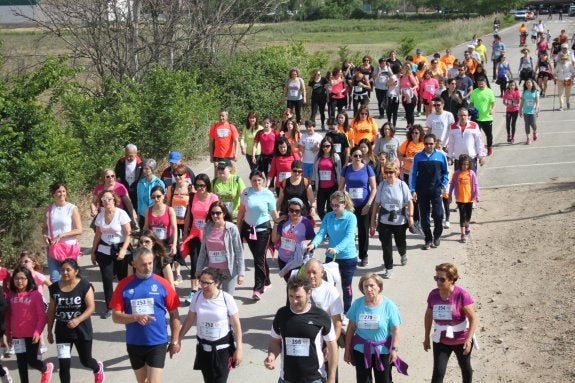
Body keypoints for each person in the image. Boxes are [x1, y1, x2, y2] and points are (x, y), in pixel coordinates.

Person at [110, 248, 181, 383]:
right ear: (134, 264)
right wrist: (135, 317)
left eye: (150, 263)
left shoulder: (163, 284)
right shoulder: (124, 286)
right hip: (134, 342)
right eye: (143, 264)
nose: (148, 267)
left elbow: (174, 315)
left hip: (157, 342)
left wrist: (175, 341)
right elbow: (115, 316)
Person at [264, 276, 338, 383]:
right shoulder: (282, 314)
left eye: (298, 297)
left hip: (314, 379)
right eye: (291, 296)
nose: (294, 301)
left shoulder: (321, 316)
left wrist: (331, 378)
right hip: (286, 379)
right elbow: (275, 341)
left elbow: (332, 348)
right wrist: (271, 355)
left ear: (309, 293)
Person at [179, 268, 242, 383]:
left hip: (223, 350)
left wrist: (239, 349)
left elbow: (237, 326)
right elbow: (189, 320)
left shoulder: (226, 298)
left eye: (207, 283)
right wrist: (178, 339)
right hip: (204, 349)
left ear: (217, 283)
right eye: (201, 282)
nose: (203, 286)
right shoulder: (197, 297)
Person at [46, 259, 104, 383]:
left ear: (76, 271)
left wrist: (78, 320)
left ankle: (98, 369)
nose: (65, 272)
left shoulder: (84, 285)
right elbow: (51, 311)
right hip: (62, 331)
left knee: (86, 361)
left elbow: (91, 307)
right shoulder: (54, 288)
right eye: (62, 270)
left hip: (81, 330)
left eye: (68, 270)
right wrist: (49, 331)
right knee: (64, 365)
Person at [344, 273, 405, 383]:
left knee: (384, 381)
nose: (369, 289)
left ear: (379, 287)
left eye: (372, 285)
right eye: (365, 286)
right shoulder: (357, 304)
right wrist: (347, 350)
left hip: (382, 351)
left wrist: (394, 350)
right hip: (360, 350)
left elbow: (395, 329)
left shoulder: (389, 306)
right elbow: (351, 328)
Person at [423, 263, 478, 383]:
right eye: (436, 278)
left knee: (465, 368)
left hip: (461, 340)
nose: (438, 282)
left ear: (451, 280)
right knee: (438, 372)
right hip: (441, 339)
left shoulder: (462, 295)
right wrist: (426, 336)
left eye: (441, 279)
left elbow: (473, 318)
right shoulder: (433, 295)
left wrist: (468, 340)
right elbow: (428, 316)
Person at [307, 191, 357, 313]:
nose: (334, 208)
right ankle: (328, 311)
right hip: (331, 257)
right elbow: (321, 233)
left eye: (337, 205)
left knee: (346, 286)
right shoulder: (328, 216)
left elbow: (349, 237)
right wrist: (313, 244)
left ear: (344, 204)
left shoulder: (351, 217)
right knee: (328, 286)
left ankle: (347, 312)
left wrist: (337, 249)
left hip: (348, 257)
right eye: (332, 205)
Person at [236, 170, 279, 301]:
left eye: (259, 180)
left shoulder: (268, 194)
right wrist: (238, 228)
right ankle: (267, 281)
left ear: (263, 180)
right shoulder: (246, 192)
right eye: (254, 180)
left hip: (263, 230)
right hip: (248, 229)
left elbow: (274, 213)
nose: (256, 182)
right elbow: (241, 211)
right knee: (258, 257)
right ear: (250, 180)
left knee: (259, 259)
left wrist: (278, 228)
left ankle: (258, 288)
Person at [6, 266, 53, 383]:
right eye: (16, 278)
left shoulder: (35, 295)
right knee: (21, 363)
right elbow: (8, 317)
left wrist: (38, 332)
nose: (19, 281)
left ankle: (46, 368)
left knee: (31, 361)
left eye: (23, 278)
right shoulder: (11, 295)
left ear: (28, 280)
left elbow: (42, 316)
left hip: (32, 334)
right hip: (17, 335)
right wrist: (8, 334)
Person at [91, 190, 132, 319]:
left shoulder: (121, 214)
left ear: (114, 200)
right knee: (107, 278)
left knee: (123, 278)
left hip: (119, 248)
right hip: (104, 250)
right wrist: (93, 251)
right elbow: (98, 234)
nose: (106, 201)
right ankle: (110, 306)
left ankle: (125, 304)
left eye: (109, 199)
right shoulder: (100, 215)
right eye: (103, 199)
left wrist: (124, 249)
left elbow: (129, 233)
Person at [370, 163, 414, 278]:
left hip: (399, 221)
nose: (389, 174)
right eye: (387, 172)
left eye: (391, 172)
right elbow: (377, 203)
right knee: (386, 246)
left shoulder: (402, 185)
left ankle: (403, 253)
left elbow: (409, 201)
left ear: (397, 172)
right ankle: (388, 267)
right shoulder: (382, 185)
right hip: (385, 221)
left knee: (400, 243)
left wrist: (410, 217)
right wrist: (373, 219)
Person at [182, 174, 220, 300]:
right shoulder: (193, 197)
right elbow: (188, 215)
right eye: (197, 185)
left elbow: (218, 216)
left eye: (202, 185)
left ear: (207, 185)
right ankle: (194, 290)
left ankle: (212, 286)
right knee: (195, 261)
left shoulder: (213, 198)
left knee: (210, 262)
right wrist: (185, 234)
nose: (199, 188)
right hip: (194, 233)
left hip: (209, 234)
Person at [196, 201, 245, 296]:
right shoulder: (207, 228)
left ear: (224, 213)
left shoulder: (231, 228)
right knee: (212, 298)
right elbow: (203, 251)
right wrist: (198, 269)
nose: (215, 216)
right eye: (212, 213)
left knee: (227, 299)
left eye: (218, 213)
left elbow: (239, 252)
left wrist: (241, 273)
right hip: (212, 271)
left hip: (228, 271)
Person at [410, 133, 449, 250]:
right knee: (424, 217)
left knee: (438, 215)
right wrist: (413, 190)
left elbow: (445, 173)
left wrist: (443, 185)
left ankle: (436, 236)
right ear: (424, 143)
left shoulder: (441, 156)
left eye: (431, 144)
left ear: (435, 143)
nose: (429, 146)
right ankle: (428, 238)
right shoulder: (418, 157)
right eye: (426, 143)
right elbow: (413, 174)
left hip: (436, 190)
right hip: (422, 191)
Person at [339, 146, 376, 267]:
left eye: (360, 156)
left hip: (364, 204)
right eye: (355, 155)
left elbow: (374, 188)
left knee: (363, 231)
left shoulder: (368, 169)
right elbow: (341, 188)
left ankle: (363, 255)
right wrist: (341, 203)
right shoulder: (346, 169)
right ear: (351, 157)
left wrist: (369, 204)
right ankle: (348, 254)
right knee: (348, 230)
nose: (358, 158)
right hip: (350, 206)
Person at [43, 182, 82, 283]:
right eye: (59, 192)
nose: (62, 194)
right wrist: (44, 236)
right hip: (53, 248)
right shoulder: (49, 209)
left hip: (69, 248)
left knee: (69, 277)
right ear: (53, 194)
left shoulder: (72, 208)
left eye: (64, 191)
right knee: (55, 278)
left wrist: (61, 235)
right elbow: (45, 228)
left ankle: (71, 297)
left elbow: (79, 230)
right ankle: (57, 298)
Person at [272, 198, 315, 281]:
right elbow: (274, 239)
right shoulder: (283, 221)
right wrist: (276, 222)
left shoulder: (306, 223)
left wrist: (305, 242)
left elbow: (313, 238)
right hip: (283, 259)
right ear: (288, 210)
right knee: (289, 284)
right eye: (291, 210)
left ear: (301, 211)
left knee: (297, 286)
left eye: (297, 211)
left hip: (297, 260)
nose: (294, 213)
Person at [166, 163, 193, 283]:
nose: (177, 177)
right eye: (175, 175)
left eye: (180, 175)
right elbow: (167, 204)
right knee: (174, 246)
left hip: (186, 221)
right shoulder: (170, 189)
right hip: (174, 222)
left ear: (185, 175)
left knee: (186, 246)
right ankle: (177, 274)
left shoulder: (190, 188)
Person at [448, 155, 480, 243]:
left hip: (469, 198)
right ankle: (462, 234)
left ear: (469, 164)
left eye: (466, 164)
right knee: (462, 215)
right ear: (460, 164)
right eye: (463, 164)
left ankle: (467, 225)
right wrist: (450, 195)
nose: (465, 166)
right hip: (460, 199)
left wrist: (477, 195)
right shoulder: (457, 173)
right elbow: (452, 185)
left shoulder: (472, 173)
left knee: (468, 215)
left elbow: (476, 185)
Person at [144, 185, 178, 258]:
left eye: (158, 196)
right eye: (153, 197)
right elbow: (146, 228)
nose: (156, 199)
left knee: (166, 267)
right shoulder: (148, 210)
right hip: (154, 243)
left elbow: (174, 229)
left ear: (163, 196)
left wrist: (174, 245)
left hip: (167, 243)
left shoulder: (169, 210)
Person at [448, 108, 486, 172]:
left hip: (471, 158)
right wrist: (450, 157)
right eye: (461, 115)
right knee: (458, 180)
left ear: (468, 116)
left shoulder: (474, 125)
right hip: (458, 158)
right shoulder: (452, 127)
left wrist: (481, 156)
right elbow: (451, 143)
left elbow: (479, 142)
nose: (463, 117)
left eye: (465, 115)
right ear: (457, 116)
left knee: (471, 179)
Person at [313, 137, 342, 220]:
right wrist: (314, 186)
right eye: (323, 146)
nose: (325, 148)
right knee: (320, 210)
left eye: (327, 146)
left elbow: (339, 172)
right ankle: (326, 222)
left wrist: (341, 187)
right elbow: (315, 172)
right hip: (321, 188)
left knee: (331, 210)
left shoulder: (336, 157)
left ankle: (329, 230)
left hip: (332, 188)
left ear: (331, 146)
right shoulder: (318, 157)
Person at [469, 77, 496, 156]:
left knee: (489, 135)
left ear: (485, 83)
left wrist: (492, 110)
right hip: (476, 117)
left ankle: (489, 147)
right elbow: (471, 103)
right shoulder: (474, 92)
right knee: (476, 135)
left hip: (487, 117)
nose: (481, 85)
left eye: (482, 83)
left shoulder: (489, 91)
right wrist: (470, 109)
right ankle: (478, 149)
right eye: (479, 83)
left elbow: (493, 102)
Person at [136, 159, 166, 228]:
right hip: (143, 214)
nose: (144, 171)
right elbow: (139, 200)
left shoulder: (159, 183)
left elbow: (162, 200)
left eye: (147, 169)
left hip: (155, 214)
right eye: (144, 168)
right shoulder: (140, 183)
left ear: (152, 169)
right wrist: (138, 215)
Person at [115, 143, 143, 215]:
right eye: (126, 155)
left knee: (136, 210)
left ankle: (136, 224)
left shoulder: (141, 163)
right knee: (124, 210)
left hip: (136, 190)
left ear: (136, 154)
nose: (128, 158)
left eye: (131, 156)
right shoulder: (120, 162)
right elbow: (117, 176)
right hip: (124, 190)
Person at [209, 109, 240, 175]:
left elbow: (236, 141)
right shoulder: (214, 127)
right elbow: (211, 142)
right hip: (217, 156)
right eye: (220, 115)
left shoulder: (231, 127)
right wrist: (211, 155)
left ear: (227, 116)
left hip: (229, 156)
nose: (221, 117)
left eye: (223, 116)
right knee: (217, 176)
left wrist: (236, 154)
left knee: (232, 175)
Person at [519, 78, 540, 145]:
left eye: (529, 82)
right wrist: (520, 110)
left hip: (533, 111)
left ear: (532, 84)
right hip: (526, 111)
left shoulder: (536, 92)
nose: (528, 84)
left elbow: (537, 101)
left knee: (533, 123)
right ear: (525, 84)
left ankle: (535, 131)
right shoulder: (524, 92)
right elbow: (522, 102)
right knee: (527, 124)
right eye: (527, 82)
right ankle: (528, 138)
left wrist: (537, 108)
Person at [386, 64, 401, 128]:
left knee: (395, 111)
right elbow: (387, 84)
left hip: (396, 96)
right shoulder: (393, 77)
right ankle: (389, 122)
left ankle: (394, 125)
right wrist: (393, 84)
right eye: (400, 68)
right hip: (390, 96)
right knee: (389, 111)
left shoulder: (399, 77)